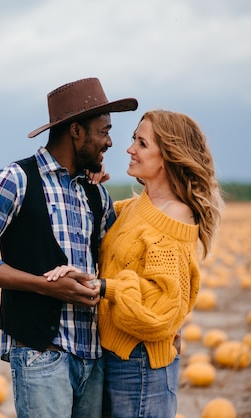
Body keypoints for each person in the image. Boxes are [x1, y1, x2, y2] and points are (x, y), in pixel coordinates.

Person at [0, 77, 138, 418]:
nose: (111, 142)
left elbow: (119, 258)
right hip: (41, 353)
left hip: (93, 355)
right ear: (77, 131)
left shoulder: (95, 193)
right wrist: (45, 286)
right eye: (104, 131)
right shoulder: (15, 179)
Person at [46, 109, 224, 417]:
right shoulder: (135, 207)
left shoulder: (174, 216)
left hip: (142, 366)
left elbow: (161, 308)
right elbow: (93, 234)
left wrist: (104, 287)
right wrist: (91, 188)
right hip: (116, 356)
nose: (129, 149)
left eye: (141, 143)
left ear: (167, 156)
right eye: (133, 140)